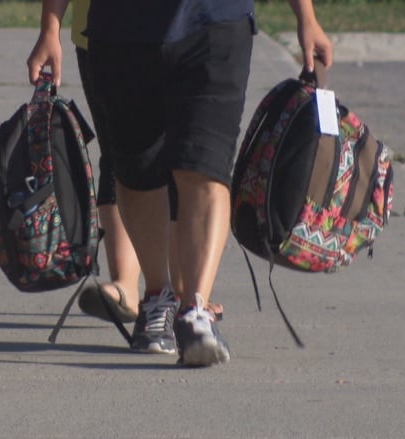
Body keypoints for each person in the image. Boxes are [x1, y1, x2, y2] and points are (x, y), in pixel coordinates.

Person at [28, 0, 332, 366]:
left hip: (217, 22)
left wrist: (306, 17)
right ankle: (159, 296)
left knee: (205, 164)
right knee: (137, 171)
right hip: (120, 29)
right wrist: (50, 27)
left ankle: (196, 311)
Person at [69, 0, 224, 331]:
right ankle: (129, 283)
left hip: (184, 27)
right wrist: (49, 27)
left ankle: (186, 295)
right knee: (123, 157)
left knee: (183, 162)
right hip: (102, 31)